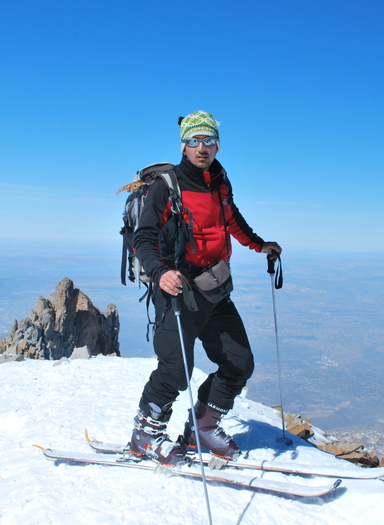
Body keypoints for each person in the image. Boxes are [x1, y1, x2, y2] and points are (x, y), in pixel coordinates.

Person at [128, 110, 282, 465]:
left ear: (217, 144)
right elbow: (144, 238)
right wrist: (158, 273)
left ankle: (203, 427)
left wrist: (259, 245)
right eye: (194, 141)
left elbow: (231, 219)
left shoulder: (219, 180)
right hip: (177, 289)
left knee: (239, 362)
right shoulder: (167, 186)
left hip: (213, 287)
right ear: (184, 145)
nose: (202, 147)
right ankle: (145, 436)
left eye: (208, 140)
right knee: (175, 370)